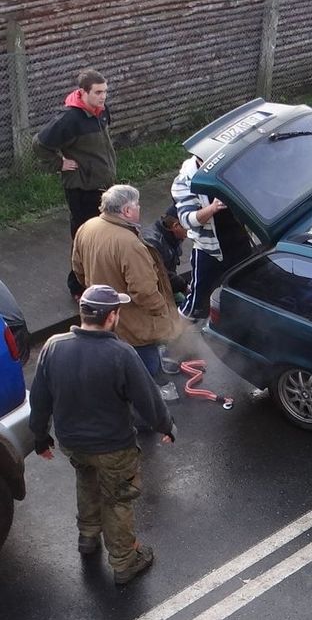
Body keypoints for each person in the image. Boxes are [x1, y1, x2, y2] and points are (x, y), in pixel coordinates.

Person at [28, 284, 176, 585]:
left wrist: (40, 437)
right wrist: (166, 426)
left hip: (73, 444)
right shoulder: (121, 353)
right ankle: (124, 562)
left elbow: (40, 399)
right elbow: (147, 398)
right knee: (118, 498)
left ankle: (88, 536)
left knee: (86, 481)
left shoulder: (53, 346)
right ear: (111, 318)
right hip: (113, 447)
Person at [72, 185, 182, 400]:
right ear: (126, 211)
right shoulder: (129, 243)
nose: (140, 208)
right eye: (137, 205)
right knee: (145, 358)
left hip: (103, 313)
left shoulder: (87, 227)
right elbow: (144, 291)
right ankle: (153, 394)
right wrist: (162, 311)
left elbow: (78, 268)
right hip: (132, 320)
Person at [34, 68, 116, 299]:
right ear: (83, 92)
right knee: (83, 238)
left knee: (102, 236)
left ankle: (98, 279)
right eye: (98, 92)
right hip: (81, 189)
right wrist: (59, 163)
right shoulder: (69, 119)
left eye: (105, 91)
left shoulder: (101, 112)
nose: (103, 97)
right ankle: (77, 285)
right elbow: (39, 145)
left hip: (103, 184)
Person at [172, 155, 253, 320]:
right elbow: (187, 220)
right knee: (197, 301)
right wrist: (213, 208)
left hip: (239, 241)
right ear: (199, 161)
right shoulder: (185, 180)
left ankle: (237, 324)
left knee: (245, 288)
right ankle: (180, 337)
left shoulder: (231, 167)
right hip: (209, 250)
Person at [142, 204, 191, 306]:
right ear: (176, 226)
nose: (191, 232)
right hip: (156, 289)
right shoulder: (152, 242)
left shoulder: (174, 237)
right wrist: (184, 286)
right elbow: (161, 273)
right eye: (189, 228)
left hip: (168, 284)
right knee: (184, 304)